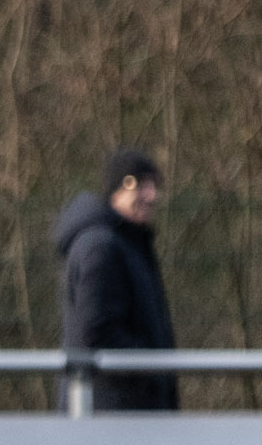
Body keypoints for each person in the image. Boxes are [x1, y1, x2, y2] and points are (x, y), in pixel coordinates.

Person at [54, 149, 178, 410]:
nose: (152, 195)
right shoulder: (101, 247)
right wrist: (151, 370)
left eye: (153, 185)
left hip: (129, 410)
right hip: (113, 413)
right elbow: (97, 333)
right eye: (141, 185)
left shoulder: (129, 246)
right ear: (118, 189)